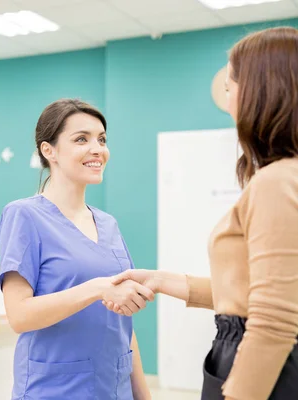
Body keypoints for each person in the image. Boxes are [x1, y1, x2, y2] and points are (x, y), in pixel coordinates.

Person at [105, 27, 298, 400]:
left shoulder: (276, 182)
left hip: (263, 368)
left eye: (231, 85)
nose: (228, 98)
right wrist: (162, 280)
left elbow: (272, 321)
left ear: (262, 91)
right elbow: (251, 289)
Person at [0, 98, 155, 400]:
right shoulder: (24, 216)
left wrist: (143, 396)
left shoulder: (108, 224)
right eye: (81, 139)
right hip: (56, 389)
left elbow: (124, 324)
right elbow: (19, 315)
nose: (97, 149)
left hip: (115, 387)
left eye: (102, 139)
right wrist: (97, 288)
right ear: (49, 150)